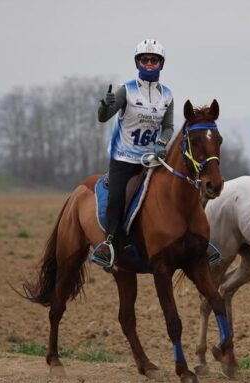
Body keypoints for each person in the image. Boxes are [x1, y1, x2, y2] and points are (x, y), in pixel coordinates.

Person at [90, 39, 174, 269]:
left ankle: (196, 240)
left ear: (161, 64)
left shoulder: (167, 95)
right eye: (144, 59)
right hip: (123, 159)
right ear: (137, 62)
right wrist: (105, 106)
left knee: (178, 191)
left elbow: (168, 126)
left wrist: (162, 142)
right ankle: (109, 245)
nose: (149, 63)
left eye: (154, 60)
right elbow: (103, 117)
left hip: (151, 160)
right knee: (118, 198)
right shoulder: (125, 90)